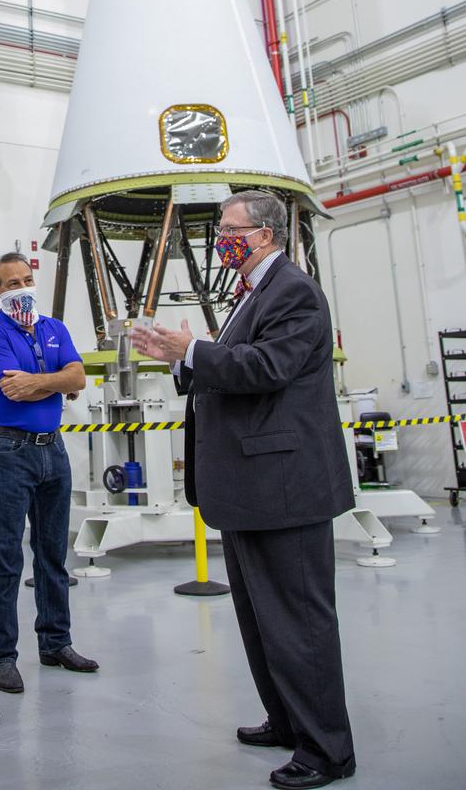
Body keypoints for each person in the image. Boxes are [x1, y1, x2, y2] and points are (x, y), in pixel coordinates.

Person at [132, 190, 356, 790]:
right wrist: (179, 358)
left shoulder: (294, 292)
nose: (221, 239)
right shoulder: (253, 294)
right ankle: (288, 720)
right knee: (261, 618)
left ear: (265, 234)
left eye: (230, 229)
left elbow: (265, 369)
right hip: (251, 486)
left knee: (299, 620)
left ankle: (327, 750)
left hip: (285, 486)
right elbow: (231, 361)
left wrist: (194, 350)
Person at [0, 251, 98, 694]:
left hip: (54, 450)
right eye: (11, 283)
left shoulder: (54, 328)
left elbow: (79, 378)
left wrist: (41, 381)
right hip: (11, 450)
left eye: (26, 279)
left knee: (52, 554)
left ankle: (55, 642)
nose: (21, 288)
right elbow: (13, 388)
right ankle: (2, 655)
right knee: (6, 557)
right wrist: (56, 378)